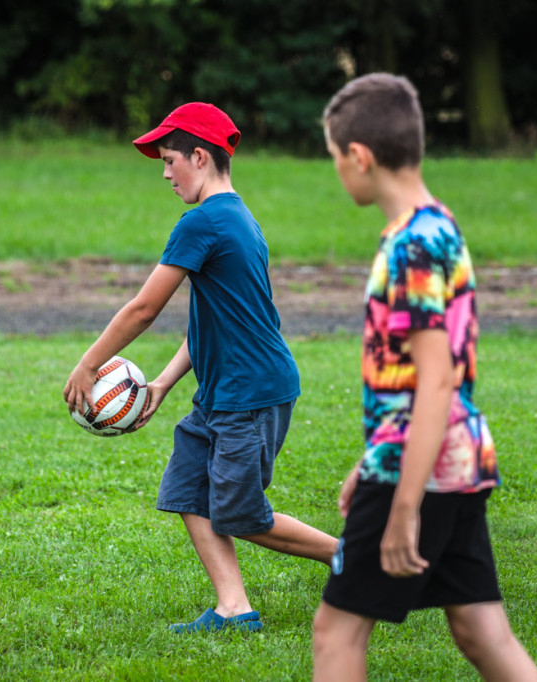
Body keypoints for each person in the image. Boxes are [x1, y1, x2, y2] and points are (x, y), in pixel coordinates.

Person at [63, 102, 338, 634]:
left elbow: (144, 310)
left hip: (250, 392)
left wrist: (88, 364)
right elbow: (211, 322)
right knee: (190, 490)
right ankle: (234, 608)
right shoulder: (238, 217)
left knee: (239, 513)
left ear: (199, 156)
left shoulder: (204, 222)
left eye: (170, 161)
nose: (165, 174)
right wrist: (163, 383)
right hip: (223, 391)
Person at [311, 74, 537, 681]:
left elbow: (436, 380)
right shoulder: (438, 226)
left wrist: (403, 503)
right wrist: (373, 456)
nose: (337, 172)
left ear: (359, 157)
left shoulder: (411, 247)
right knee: (480, 629)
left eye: (336, 158)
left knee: (336, 632)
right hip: (459, 455)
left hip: (424, 467)